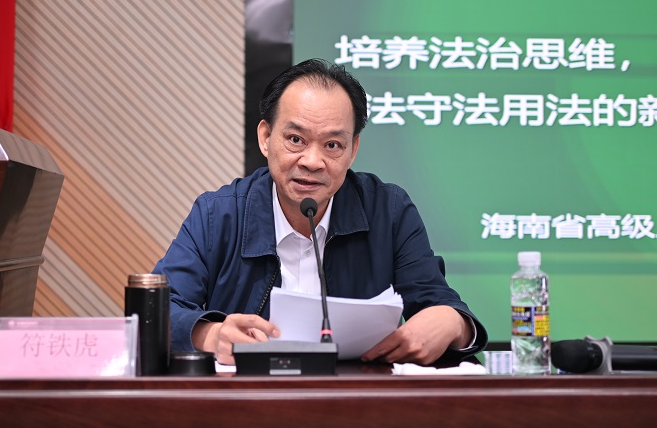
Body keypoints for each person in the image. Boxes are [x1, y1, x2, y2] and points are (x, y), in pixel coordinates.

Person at [151, 58, 488, 365]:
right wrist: (210, 334)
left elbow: (437, 304)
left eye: (332, 145)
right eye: (296, 140)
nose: (312, 162)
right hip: (249, 401)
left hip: (356, 402)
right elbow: (158, 312)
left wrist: (452, 322)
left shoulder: (389, 212)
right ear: (266, 137)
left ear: (353, 150)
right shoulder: (218, 215)